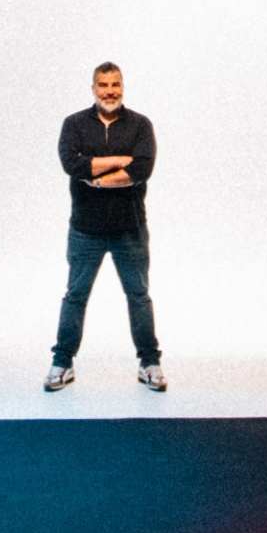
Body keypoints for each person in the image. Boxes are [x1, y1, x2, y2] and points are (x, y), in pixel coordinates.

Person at [45, 61, 164, 392]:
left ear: (123, 87)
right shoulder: (74, 124)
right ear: (93, 88)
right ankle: (62, 362)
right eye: (103, 85)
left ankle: (150, 363)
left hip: (130, 229)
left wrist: (95, 180)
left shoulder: (141, 125)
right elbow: (72, 164)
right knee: (76, 296)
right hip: (85, 229)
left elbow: (142, 168)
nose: (109, 91)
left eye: (115, 84)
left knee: (138, 295)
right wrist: (117, 160)